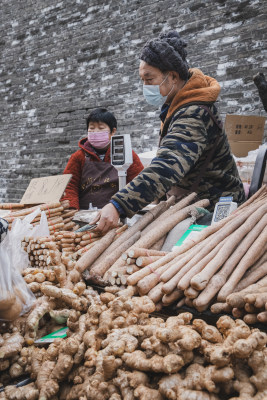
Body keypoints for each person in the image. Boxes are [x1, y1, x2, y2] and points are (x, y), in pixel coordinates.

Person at [93, 31, 245, 233]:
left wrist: (119, 204)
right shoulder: (177, 108)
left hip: (217, 211)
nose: (145, 86)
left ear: (172, 76)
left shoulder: (194, 113)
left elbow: (167, 165)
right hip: (191, 204)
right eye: (142, 80)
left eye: (149, 79)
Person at [61, 108, 144, 209]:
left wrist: (123, 209)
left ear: (113, 131)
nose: (95, 132)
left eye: (101, 128)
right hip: (84, 216)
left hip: (117, 214)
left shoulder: (127, 154)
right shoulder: (78, 157)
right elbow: (69, 186)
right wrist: (72, 211)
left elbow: (139, 183)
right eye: (91, 128)